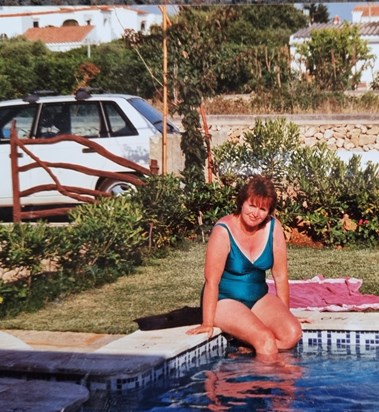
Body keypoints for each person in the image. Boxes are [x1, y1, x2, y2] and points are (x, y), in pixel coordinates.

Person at [187, 175, 302, 361]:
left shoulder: (273, 227)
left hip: (258, 298)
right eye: (252, 205)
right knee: (266, 340)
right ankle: (259, 383)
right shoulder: (223, 231)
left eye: (263, 209)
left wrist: (285, 313)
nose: (256, 213)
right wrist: (207, 322)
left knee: (292, 334)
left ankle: (250, 350)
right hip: (224, 302)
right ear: (242, 202)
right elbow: (211, 281)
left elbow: (280, 276)